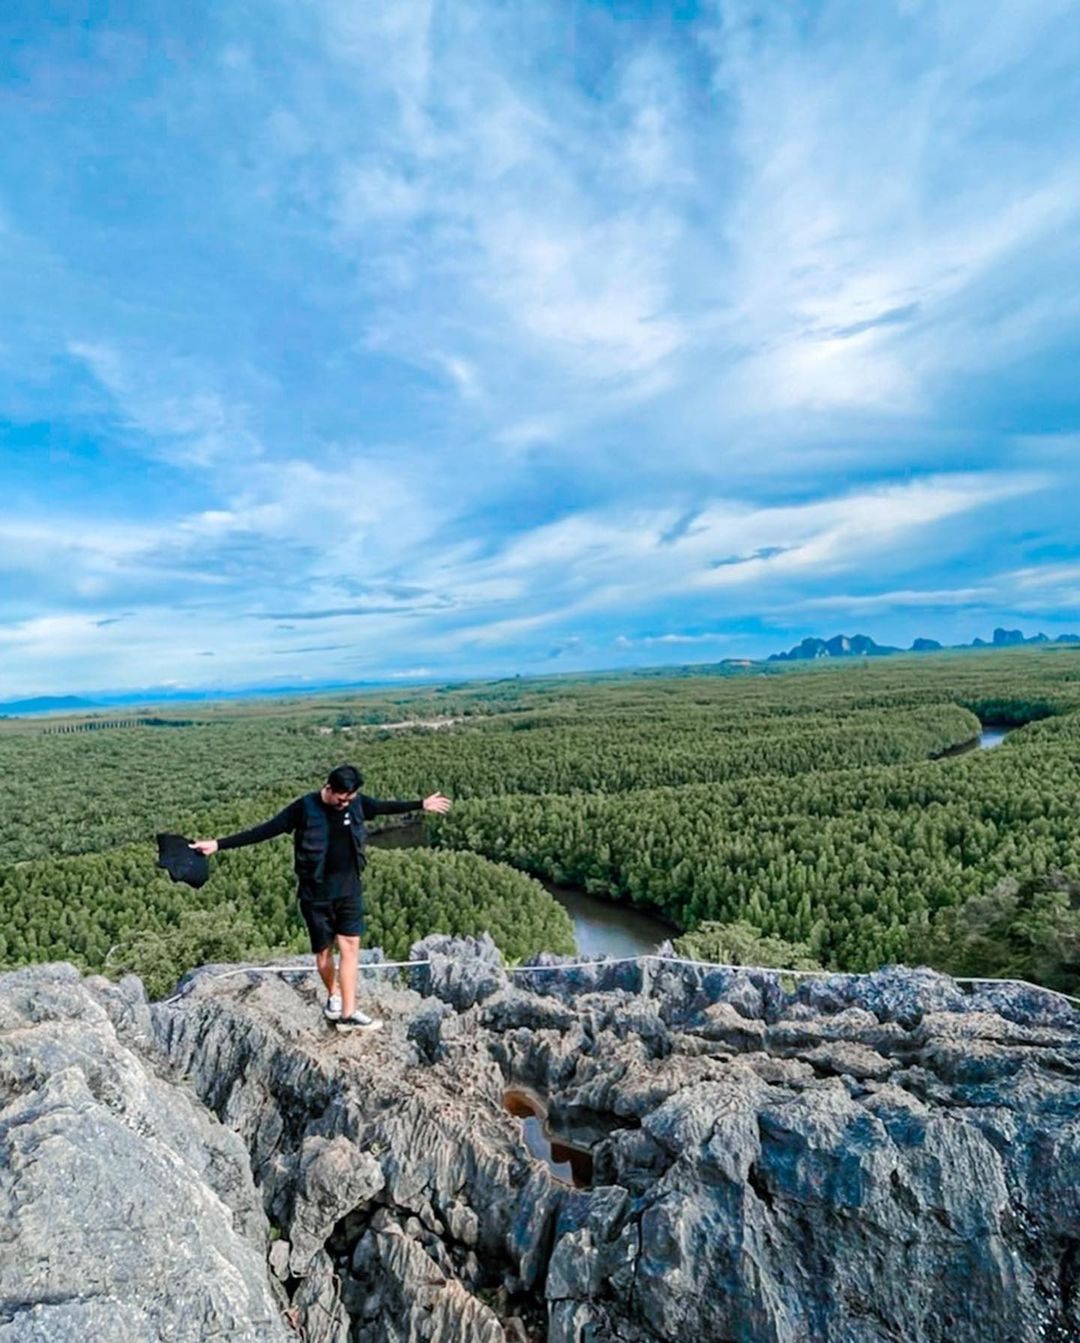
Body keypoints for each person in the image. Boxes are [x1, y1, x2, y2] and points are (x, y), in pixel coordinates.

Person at [190, 765, 451, 1031]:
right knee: (324, 953)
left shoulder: (356, 804)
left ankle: (348, 1014)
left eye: (350, 798)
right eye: (342, 798)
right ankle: (334, 996)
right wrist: (219, 844)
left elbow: (384, 806)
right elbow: (265, 830)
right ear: (328, 788)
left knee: (350, 948)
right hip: (315, 896)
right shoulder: (304, 808)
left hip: (349, 891)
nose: (345, 803)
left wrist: (421, 804)